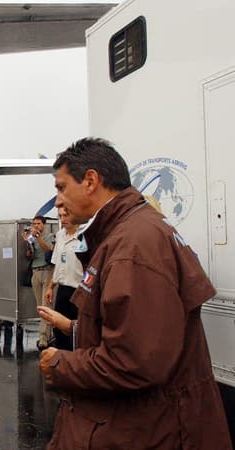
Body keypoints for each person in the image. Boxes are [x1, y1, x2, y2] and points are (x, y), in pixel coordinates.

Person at [37, 137, 231, 449]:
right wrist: (73, 328)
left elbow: (133, 361)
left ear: (90, 181)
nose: (58, 199)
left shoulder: (133, 245)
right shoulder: (130, 233)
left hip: (149, 430)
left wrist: (60, 364)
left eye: (61, 187)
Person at [43, 208, 82, 350]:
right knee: (59, 329)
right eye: (60, 216)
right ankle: (62, 360)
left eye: (66, 215)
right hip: (62, 289)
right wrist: (50, 287)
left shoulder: (84, 235)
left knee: (77, 329)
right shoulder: (59, 236)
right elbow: (57, 264)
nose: (63, 219)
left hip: (79, 290)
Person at [22, 215, 54, 350]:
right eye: (34, 223)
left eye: (38, 223)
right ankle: (48, 333)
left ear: (44, 225)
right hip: (35, 271)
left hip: (47, 271)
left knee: (46, 305)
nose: (36, 226)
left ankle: (43, 338)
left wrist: (38, 237)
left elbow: (49, 250)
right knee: (40, 306)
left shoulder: (50, 236)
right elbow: (30, 255)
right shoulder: (32, 238)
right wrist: (27, 242)